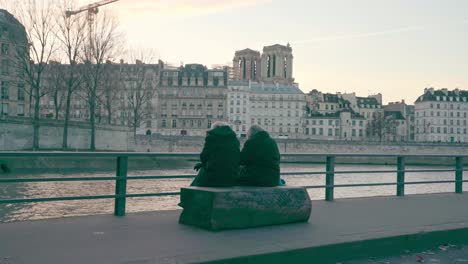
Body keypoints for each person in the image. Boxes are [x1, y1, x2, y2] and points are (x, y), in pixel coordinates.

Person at [190, 121, 240, 187]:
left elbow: (203, 156)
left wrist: (204, 164)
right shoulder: (235, 140)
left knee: (196, 184)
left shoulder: (212, 137)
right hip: (230, 176)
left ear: (215, 129)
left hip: (213, 176)